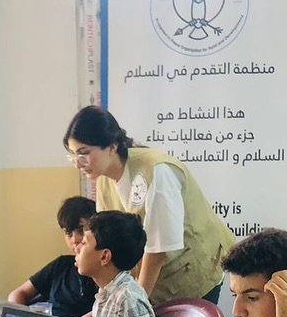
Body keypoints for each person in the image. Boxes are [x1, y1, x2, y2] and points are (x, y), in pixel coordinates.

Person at [63, 105, 235, 304]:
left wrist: (135, 302)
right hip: (154, 278)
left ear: (111, 146)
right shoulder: (104, 182)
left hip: (191, 270)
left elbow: (157, 251)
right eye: (73, 155)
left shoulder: (157, 170)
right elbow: (109, 241)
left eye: (83, 153)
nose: (77, 163)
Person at [7, 196, 98, 317]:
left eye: (81, 231)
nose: (75, 240)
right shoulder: (62, 265)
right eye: (68, 234)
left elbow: (101, 313)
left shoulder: (104, 273)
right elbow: (18, 293)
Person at [77, 210, 158, 317]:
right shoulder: (107, 291)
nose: (77, 248)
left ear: (104, 257)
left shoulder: (128, 298)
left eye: (84, 243)